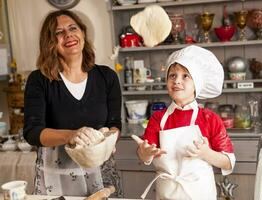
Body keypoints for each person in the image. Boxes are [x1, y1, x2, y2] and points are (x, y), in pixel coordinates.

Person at [24, 10, 122, 197]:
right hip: (57, 176)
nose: (68, 34)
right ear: (50, 43)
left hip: (101, 173)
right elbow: (32, 132)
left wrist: (109, 140)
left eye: (72, 28)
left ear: (82, 33)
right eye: (59, 32)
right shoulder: (39, 80)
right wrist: (72, 135)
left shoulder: (107, 77)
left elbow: (114, 123)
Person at [136, 45, 236, 200]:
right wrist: (145, 153)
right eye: (172, 75)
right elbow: (145, 156)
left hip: (201, 194)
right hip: (166, 194)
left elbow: (228, 163)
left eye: (185, 76)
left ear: (197, 83)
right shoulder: (158, 118)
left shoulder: (210, 118)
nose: (176, 81)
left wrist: (206, 153)